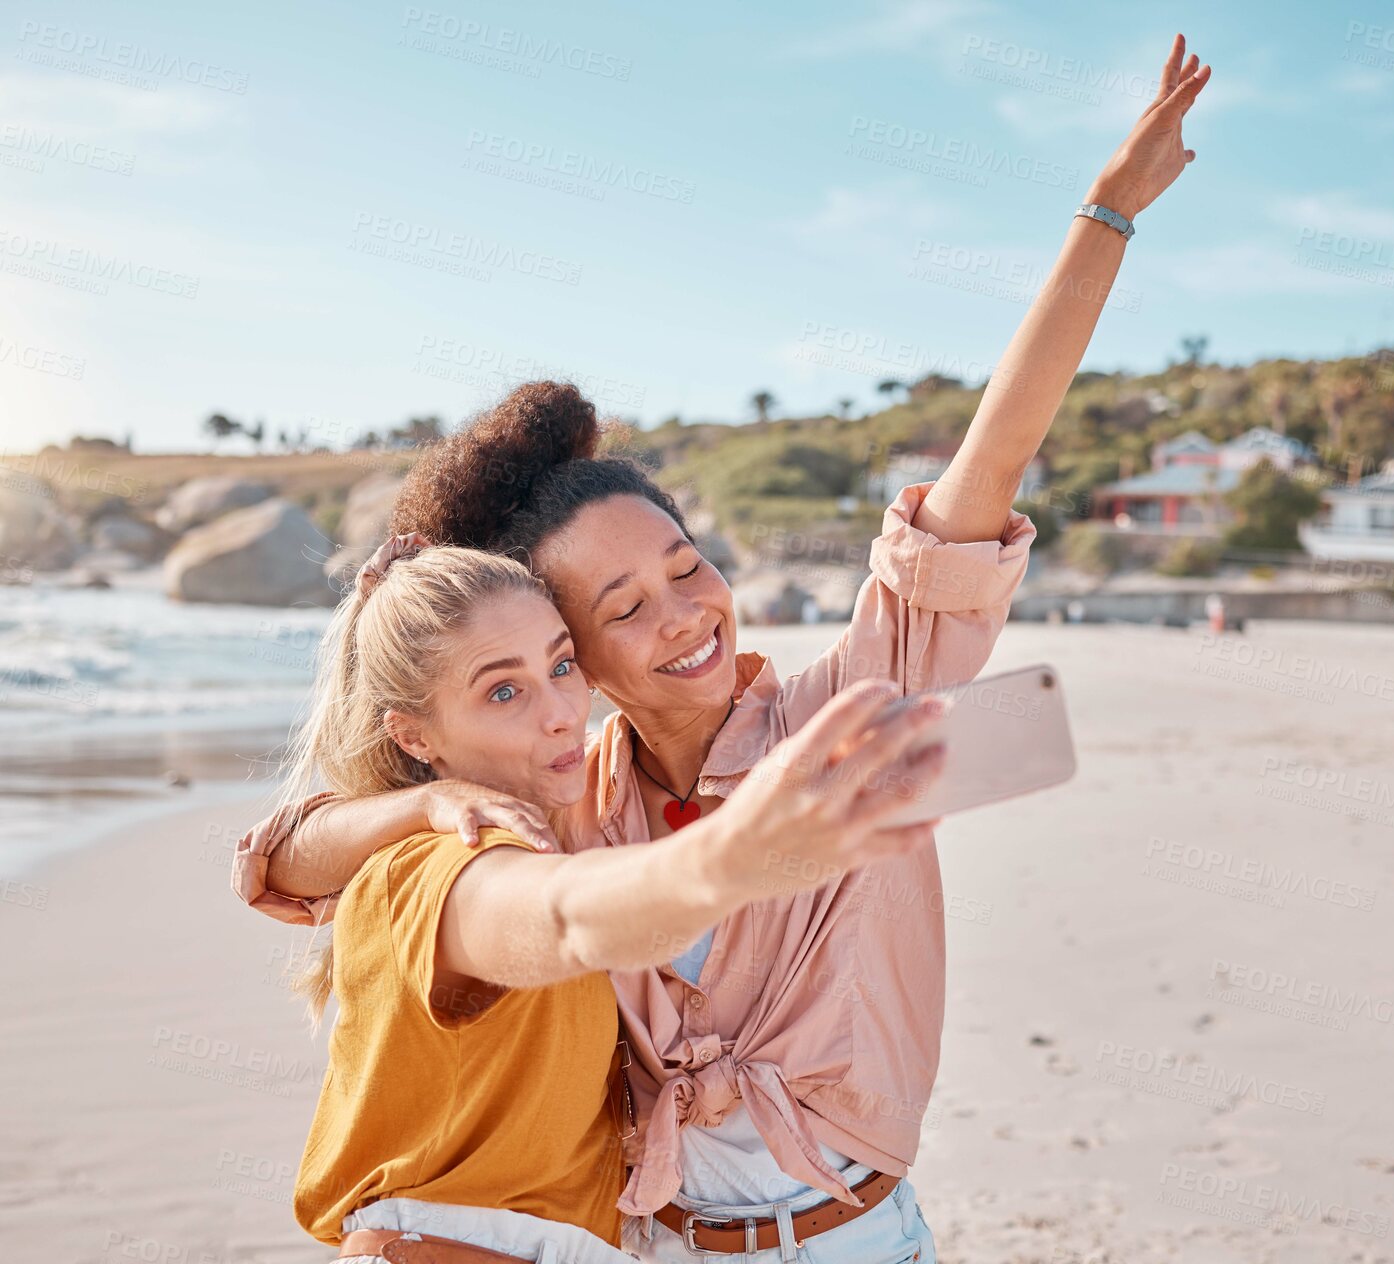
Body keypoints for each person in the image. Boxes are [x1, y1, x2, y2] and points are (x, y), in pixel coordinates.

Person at [234, 35, 1211, 1261]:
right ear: (571, 652)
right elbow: (290, 865)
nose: (683, 614)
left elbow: (989, 461)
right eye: (624, 608)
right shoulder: (560, 798)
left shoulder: (851, 709)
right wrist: (419, 816)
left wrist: (1106, 211)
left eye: (685, 568)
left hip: (851, 1236)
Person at [276, 535, 946, 1263]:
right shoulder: (443, 867)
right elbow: (563, 918)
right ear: (413, 734)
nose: (562, 711)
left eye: (563, 665)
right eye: (504, 691)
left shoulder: (565, 823)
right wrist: (727, 860)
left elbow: (285, 850)